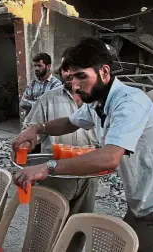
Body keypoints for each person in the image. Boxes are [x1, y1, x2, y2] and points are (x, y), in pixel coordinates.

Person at [13, 38, 153, 252]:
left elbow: (109, 157)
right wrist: (37, 128)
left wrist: (47, 167)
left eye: (82, 76)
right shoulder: (97, 102)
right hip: (140, 204)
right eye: (72, 78)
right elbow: (69, 122)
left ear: (105, 72)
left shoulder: (129, 103)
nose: (76, 85)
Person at [22, 47, 97, 252]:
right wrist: (26, 144)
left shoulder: (97, 102)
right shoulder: (48, 98)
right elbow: (32, 132)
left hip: (88, 173)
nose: (67, 73)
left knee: (78, 226)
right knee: (47, 226)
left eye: (72, 68)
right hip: (56, 173)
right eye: (64, 68)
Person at [20, 52, 62, 153]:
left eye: (39, 66)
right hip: (31, 128)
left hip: (47, 132)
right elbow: (23, 102)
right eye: (35, 66)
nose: (36, 69)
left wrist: (35, 104)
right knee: (30, 157)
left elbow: (53, 109)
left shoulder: (56, 85)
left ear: (48, 66)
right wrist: (42, 105)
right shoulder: (33, 83)